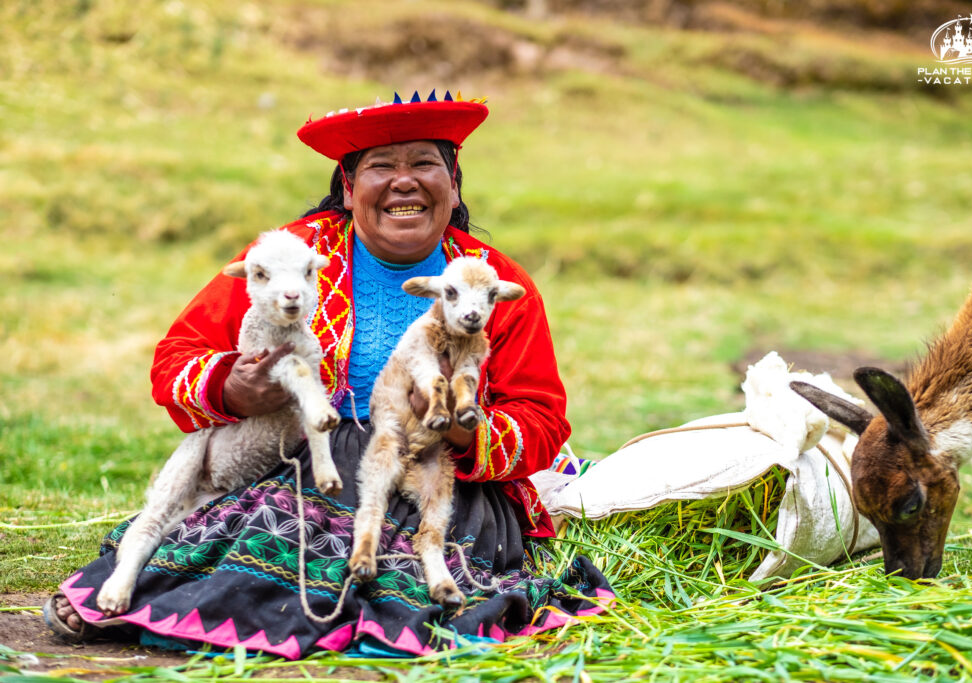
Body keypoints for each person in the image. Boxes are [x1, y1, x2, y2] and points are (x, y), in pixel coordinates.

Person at [44, 91, 612, 658]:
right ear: (348, 187)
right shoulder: (294, 257)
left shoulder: (495, 284)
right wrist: (233, 386)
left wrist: (457, 426)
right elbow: (177, 359)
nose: (404, 181)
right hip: (302, 463)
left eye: (424, 163)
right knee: (310, 481)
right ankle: (158, 594)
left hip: (442, 474)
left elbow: (540, 418)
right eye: (381, 166)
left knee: (400, 518)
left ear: (454, 183)